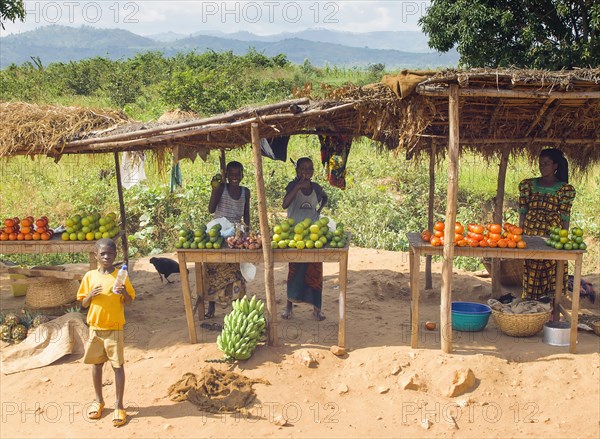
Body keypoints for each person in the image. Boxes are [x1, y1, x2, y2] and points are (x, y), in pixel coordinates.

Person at [77, 238, 135, 428]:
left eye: (110, 253)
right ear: (96, 255)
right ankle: (98, 401)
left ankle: (119, 405)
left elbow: (129, 301)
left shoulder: (121, 275)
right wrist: (89, 295)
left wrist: (123, 293)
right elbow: (83, 303)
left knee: (117, 366)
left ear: (115, 255)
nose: (106, 256)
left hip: (115, 328)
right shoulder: (89, 276)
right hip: (95, 328)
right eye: (102, 253)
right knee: (96, 365)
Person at [518, 148, 576, 300]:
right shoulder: (528, 185)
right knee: (532, 268)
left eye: (546, 164)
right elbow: (523, 211)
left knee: (551, 269)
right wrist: (521, 233)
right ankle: (531, 305)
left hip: (552, 234)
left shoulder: (565, 189)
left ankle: (550, 308)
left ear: (555, 166)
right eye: (540, 164)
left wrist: (564, 238)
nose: (542, 167)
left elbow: (565, 216)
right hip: (531, 233)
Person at [282, 157, 329, 320]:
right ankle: (289, 306)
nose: (307, 171)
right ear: (297, 171)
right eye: (303, 168)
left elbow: (325, 197)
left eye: (310, 168)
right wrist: (297, 187)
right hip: (295, 235)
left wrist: (318, 211)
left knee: (315, 272)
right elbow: (285, 204)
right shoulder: (291, 186)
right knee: (294, 270)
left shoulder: (316, 188)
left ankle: (317, 308)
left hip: (313, 235)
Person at [205, 161, 250, 318]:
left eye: (238, 174)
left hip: (235, 234)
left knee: (235, 270)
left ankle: (236, 306)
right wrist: (215, 190)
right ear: (226, 175)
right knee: (214, 270)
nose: (234, 177)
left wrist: (247, 234)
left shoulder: (246, 192)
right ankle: (211, 305)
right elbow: (211, 209)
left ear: (242, 175)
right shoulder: (221, 189)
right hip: (218, 232)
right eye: (231, 173)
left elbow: (247, 215)